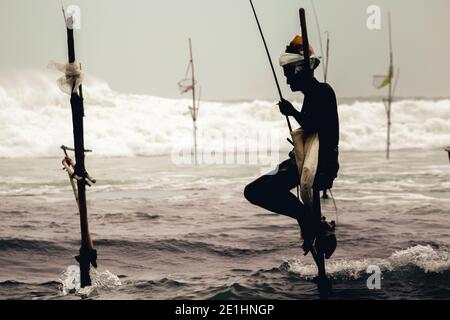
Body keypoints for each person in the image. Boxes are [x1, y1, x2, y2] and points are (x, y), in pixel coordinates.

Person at [244, 35, 339, 285]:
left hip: (319, 164)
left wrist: (292, 113)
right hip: (305, 161)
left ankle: (312, 223)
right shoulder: (312, 94)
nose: (286, 78)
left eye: (289, 72)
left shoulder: (322, 91)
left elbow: (319, 126)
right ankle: (313, 224)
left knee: (255, 191)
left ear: (300, 69)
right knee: (256, 191)